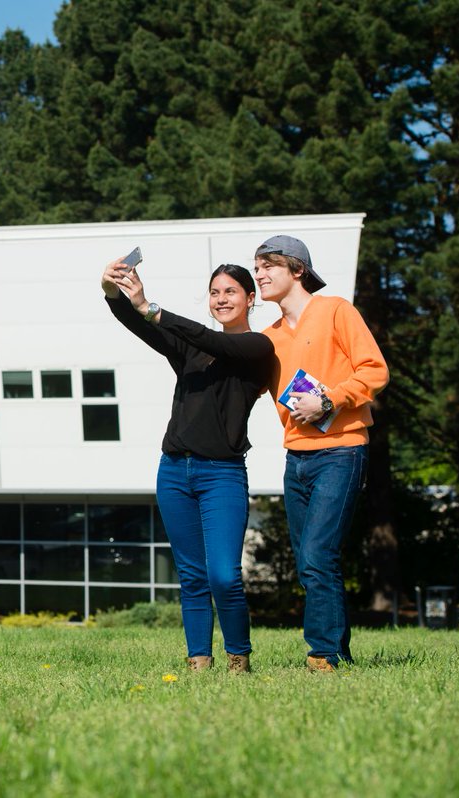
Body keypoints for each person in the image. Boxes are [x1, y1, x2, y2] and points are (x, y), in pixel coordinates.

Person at [101, 256, 274, 673]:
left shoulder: (258, 348)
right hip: (175, 471)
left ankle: (239, 656)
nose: (221, 299)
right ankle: (199, 659)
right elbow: (139, 324)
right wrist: (112, 289)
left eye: (230, 291)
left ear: (250, 298)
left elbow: (215, 343)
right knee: (192, 576)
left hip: (223, 475)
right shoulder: (191, 348)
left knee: (224, 576)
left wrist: (153, 308)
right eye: (214, 293)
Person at [253, 234, 389, 672]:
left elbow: (375, 369)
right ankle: (338, 651)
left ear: (297, 270)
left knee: (318, 553)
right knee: (311, 559)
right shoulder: (267, 337)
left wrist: (328, 400)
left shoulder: (335, 311)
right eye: (256, 268)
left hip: (342, 451)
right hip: (296, 458)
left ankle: (322, 653)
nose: (259, 274)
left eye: (267, 265)